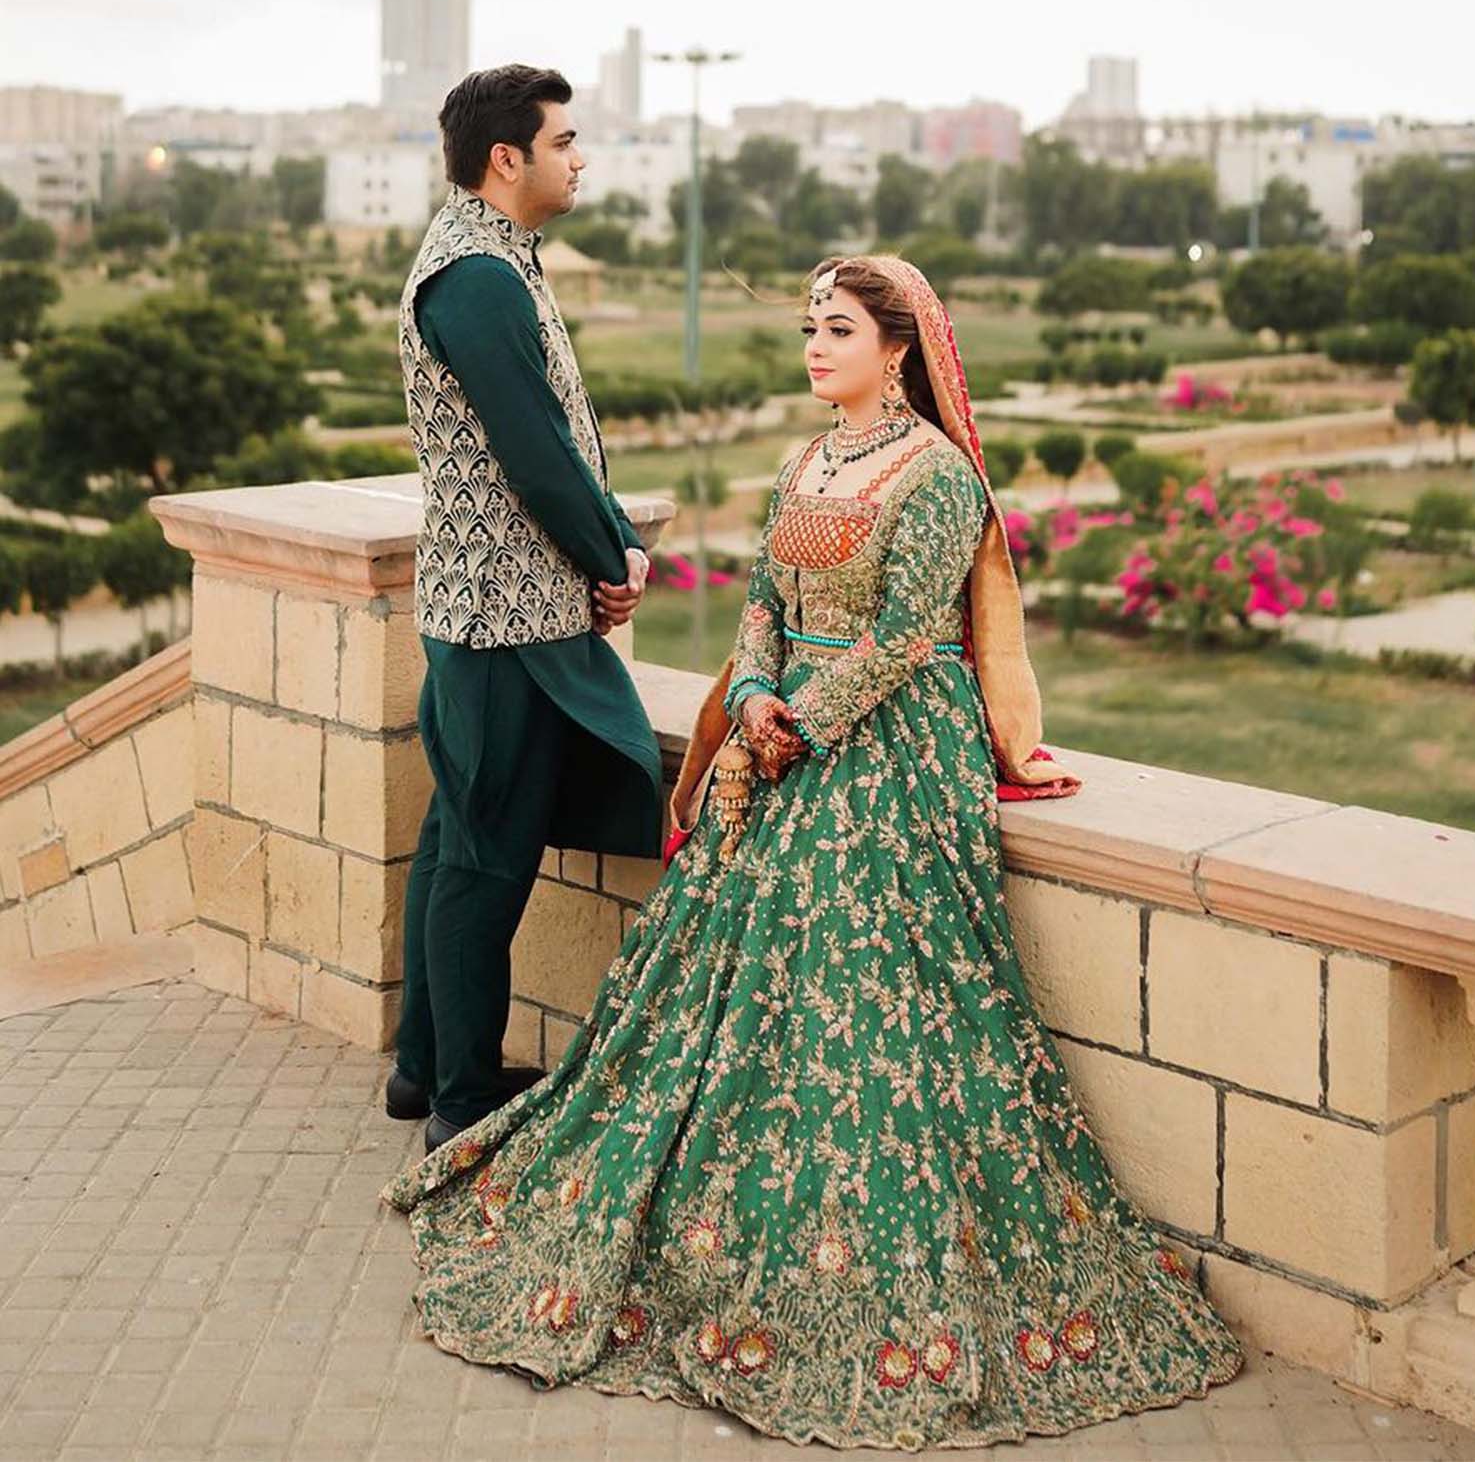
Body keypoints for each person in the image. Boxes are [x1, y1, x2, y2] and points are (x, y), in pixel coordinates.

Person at [384, 253, 1243, 1447]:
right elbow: (762, 607)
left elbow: (903, 639)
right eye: (807, 327)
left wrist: (803, 724)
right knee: (712, 960)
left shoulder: (938, 477)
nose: (814, 345)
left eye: (837, 328)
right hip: (783, 733)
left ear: (900, 348)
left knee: (859, 962)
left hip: (896, 747)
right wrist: (753, 704)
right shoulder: (808, 461)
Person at [387, 65, 660, 1154]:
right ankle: (458, 1097)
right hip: (503, 620)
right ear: (509, 158)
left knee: (458, 833)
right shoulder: (477, 277)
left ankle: (420, 1069)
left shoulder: (492, 258)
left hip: (493, 609)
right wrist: (615, 556)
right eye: (565, 140)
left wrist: (610, 541)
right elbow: (536, 456)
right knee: (486, 854)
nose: (579, 157)